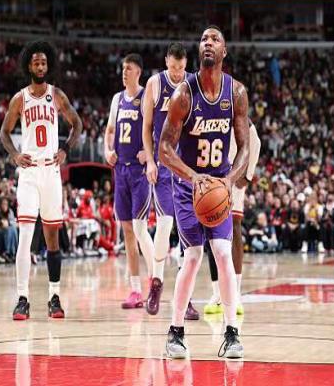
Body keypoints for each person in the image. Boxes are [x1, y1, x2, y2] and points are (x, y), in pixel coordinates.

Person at [159, 25, 249, 359]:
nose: (208, 43)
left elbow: (244, 148)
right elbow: (164, 149)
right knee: (194, 256)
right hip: (188, 186)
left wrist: (229, 180)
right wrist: (193, 176)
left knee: (223, 253)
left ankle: (232, 332)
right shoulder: (184, 94)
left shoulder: (236, 93)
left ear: (224, 51)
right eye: (203, 39)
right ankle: (175, 331)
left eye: (215, 39)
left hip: (219, 183)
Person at [0, 40, 82, 320]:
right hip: (29, 172)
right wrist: (14, 155)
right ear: (29, 65)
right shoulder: (20, 99)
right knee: (25, 236)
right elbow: (4, 132)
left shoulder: (56, 95)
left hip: (51, 172)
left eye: (44, 62)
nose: (40, 66)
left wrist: (65, 149)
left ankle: (54, 296)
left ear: (49, 65)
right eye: (36, 62)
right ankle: (22, 298)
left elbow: (77, 123)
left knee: (52, 238)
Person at [142, 42, 198, 320]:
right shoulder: (154, 83)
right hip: (163, 165)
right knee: (164, 225)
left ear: (186, 65)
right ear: (166, 62)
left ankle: (185, 298)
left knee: (187, 233)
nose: (177, 73)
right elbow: (146, 127)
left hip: (186, 166)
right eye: (173, 67)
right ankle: (156, 282)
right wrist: (151, 162)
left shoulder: (192, 84)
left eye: (181, 68)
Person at [104, 53, 155, 309]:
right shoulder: (117, 99)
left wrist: (149, 152)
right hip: (120, 171)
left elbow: (157, 130)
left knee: (139, 228)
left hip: (139, 171)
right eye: (123, 68)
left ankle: (155, 280)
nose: (124, 72)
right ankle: (135, 290)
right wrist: (107, 150)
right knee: (126, 231)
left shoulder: (146, 97)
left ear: (139, 72)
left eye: (129, 69)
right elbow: (110, 130)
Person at [204, 120, 260, 315]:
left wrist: (248, 174)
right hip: (212, 173)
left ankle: (235, 294)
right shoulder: (209, 109)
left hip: (233, 176)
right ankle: (217, 294)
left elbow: (255, 140)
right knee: (211, 230)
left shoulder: (237, 110)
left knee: (235, 227)